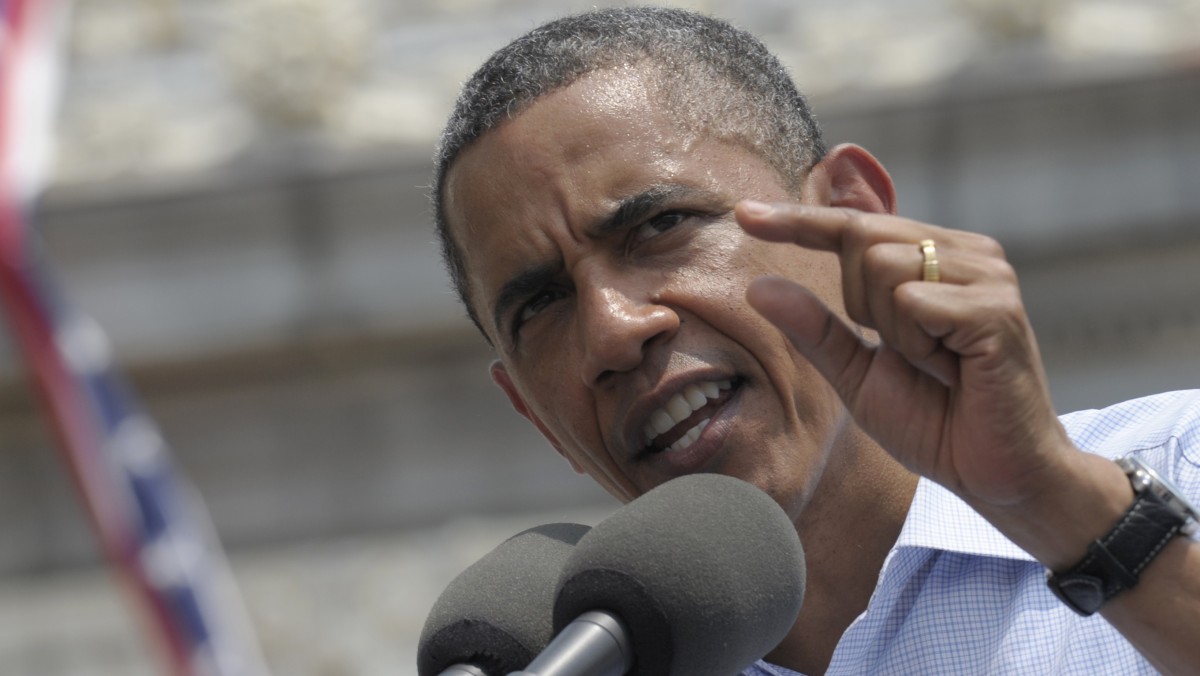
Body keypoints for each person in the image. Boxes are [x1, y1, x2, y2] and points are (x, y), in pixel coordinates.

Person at [431, 7, 1200, 675]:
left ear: (853, 219)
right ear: (532, 413)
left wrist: (1058, 507)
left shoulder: (1181, 470)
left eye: (659, 227)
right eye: (540, 305)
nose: (613, 332)